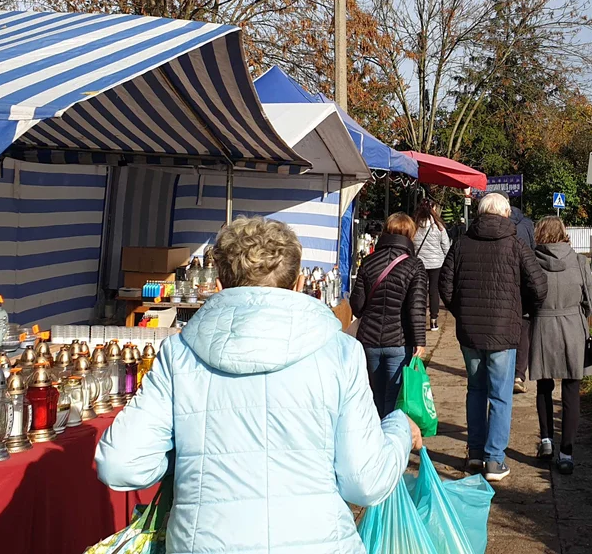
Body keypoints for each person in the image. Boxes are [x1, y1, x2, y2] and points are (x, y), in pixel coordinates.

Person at [96, 216, 421, 553]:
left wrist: (186, 458)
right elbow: (365, 482)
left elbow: (121, 463)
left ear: (219, 284)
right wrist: (398, 428)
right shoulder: (340, 352)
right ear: (297, 284)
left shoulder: (179, 354)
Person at [440, 192, 548, 482]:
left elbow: (445, 285)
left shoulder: (461, 243)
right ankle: (494, 461)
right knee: (501, 396)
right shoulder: (516, 245)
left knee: (475, 391)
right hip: (503, 331)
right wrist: (522, 309)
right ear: (505, 214)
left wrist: (461, 311)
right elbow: (539, 286)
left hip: (470, 332)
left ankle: (475, 453)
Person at [529, 216, 592, 475]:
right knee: (570, 392)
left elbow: (526, 299)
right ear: (564, 234)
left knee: (543, 387)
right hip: (573, 330)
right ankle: (566, 453)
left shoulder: (532, 261)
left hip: (542, 329)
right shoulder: (579, 262)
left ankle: (546, 440)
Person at [351, 212, 428, 417]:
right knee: (394, 399)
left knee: (374, 395)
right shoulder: (414, 265)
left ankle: (373, 439)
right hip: (399, 341)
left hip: (369, 340)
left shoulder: (368, 262)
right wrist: (419, 341)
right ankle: (389, 442)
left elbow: (357, 305)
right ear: (410, 235)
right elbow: (416, 307)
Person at [509, 202, 536, 394]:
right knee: (523, 329)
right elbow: (532, 252)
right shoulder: (527, 224)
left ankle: (505, 372)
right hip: (524, 283)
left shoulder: (500, 225)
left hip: (504, 283)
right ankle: (519, 374)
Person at [413, 201, 452, 332]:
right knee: (434, 291)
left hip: (419, 263)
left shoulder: (414, 226)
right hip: (437, 263)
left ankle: (419, 319)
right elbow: (446, 246)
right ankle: (434, 320)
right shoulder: (439, 226)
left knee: (420, 291)